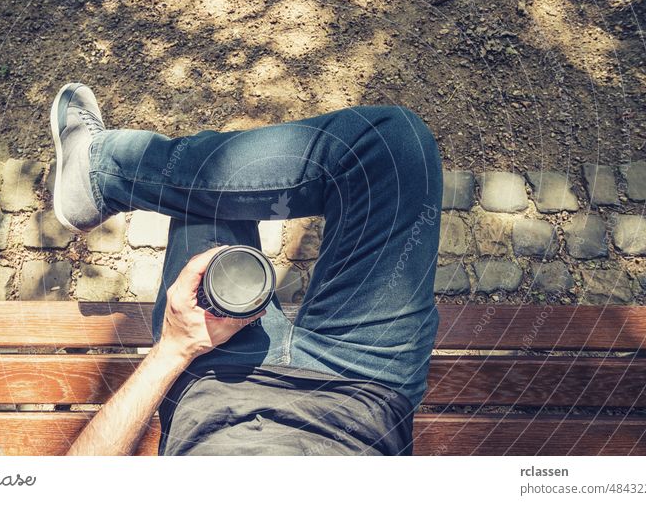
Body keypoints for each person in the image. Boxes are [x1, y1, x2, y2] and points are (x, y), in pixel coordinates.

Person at [53, 83, 442, 456]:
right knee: (392, 145)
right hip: (363, 389)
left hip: (215, 383)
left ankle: (102, 172)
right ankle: (101, 171)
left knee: (208, 200)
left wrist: (173, 349)